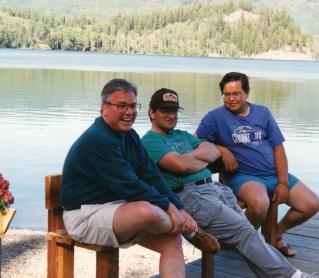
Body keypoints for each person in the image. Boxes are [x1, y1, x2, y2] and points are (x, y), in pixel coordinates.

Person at [142, 88, 319, 278]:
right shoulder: (150, 141)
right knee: (245, 234)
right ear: (152, 112)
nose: (171, 115)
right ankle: (297, 277)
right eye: (165, 111)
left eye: (174, 110)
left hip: (215, 189)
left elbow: (212, 151)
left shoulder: (182, 135)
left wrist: (190, 157)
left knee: (249, 234)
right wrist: (195, 159)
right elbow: (181, 166)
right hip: (190, 196)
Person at [60, 79, 218, 278]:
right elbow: (130, 186)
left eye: (133, 106)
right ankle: (191, 231)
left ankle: (184, 227)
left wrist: (178, 206)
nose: (129, 112)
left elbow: (150, 174)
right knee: (146, 210)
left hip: (118, 208)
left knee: (172, 241)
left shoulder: (129, 136)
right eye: (122, 106)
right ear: (104, 108)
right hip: (84, 215)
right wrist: (170, 208)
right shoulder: (98, 140)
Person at [196, 72, 319, 257]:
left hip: (273, 174)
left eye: (236, 93)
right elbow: (197, 143)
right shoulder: (214, 117)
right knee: (260, 203)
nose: (231, 99)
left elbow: (278, 148)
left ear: (247, 93)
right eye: (227, 94)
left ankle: (276, 233)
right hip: (244, 177)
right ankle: (246, 242)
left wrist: (282, 182)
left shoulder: (263, 113)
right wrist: (222, 149)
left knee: (312, 204)